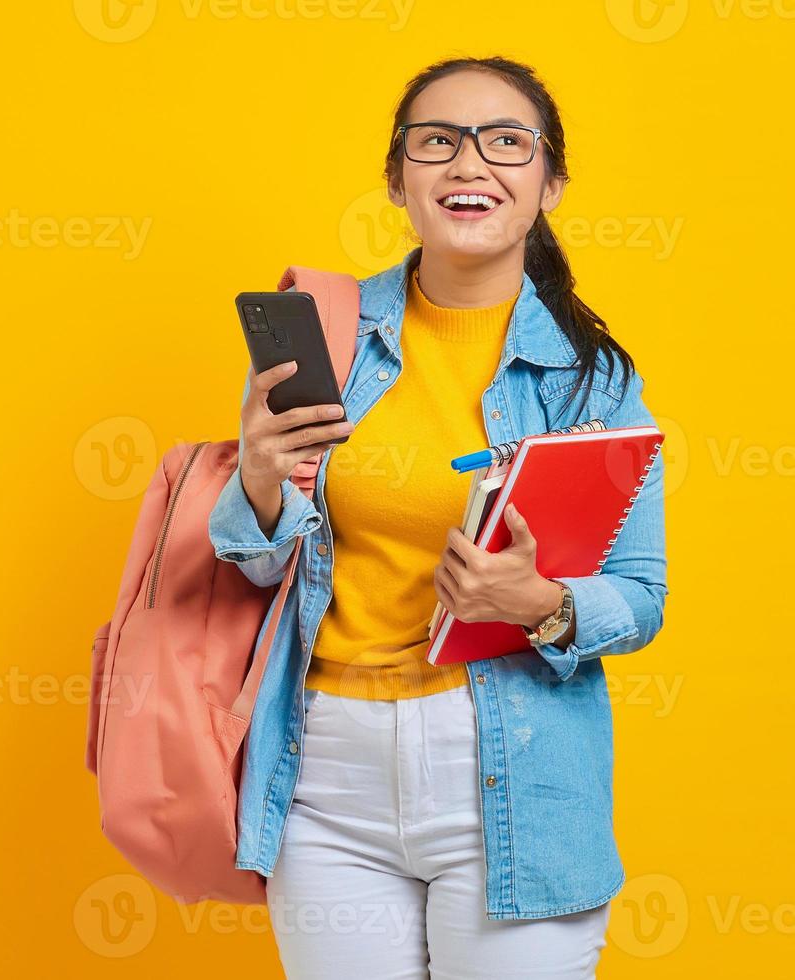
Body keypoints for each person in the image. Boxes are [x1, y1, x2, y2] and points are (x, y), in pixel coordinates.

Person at [208, 54, 669, 980]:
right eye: (437, 142)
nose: (470, 163)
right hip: (327, 772)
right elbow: (252, 573)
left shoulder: (595, 380)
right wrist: (258, 480)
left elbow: (643, 597)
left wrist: (543, 602)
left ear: (550, 181)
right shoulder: (327, 333)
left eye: (507, 142)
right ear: (398, 178)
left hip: (517, 771)